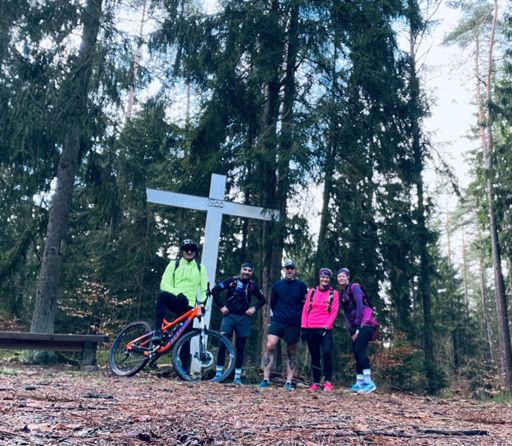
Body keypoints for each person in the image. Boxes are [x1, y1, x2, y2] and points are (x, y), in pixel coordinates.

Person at [152, 239, 208, 373]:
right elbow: (164, 284)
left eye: (192, 250)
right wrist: (178, 293)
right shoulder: (174, 264)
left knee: (185, 338)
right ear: (182, 251)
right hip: (175, 299)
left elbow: (204, 289)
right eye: (186, 249)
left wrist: (202, 304)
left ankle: (184, 371)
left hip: (188, 306)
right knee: (162, 296)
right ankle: (158, 331)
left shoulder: (200, 268)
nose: (189, 252)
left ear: (195, 252)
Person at [212, 262, 266, 384]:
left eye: (249, 271)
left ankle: (237, 377)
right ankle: (218, 374)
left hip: (243, 318)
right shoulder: (231, 281)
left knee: (240, 347)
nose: (246, 272)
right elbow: (215, 291)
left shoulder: (252, 286)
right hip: (229, 316)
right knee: (223, 344)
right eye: (244, 269)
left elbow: (263, 300)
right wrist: (221, 306)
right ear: (241, 270)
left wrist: (254, 308)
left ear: (252, 273)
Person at [259, 259, 307, 391]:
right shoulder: (278, 285)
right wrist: (276, 315)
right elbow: (273, 303)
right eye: (287, 268)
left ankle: (289, 382)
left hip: (294, 322)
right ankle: (265, 379)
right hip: (278, 320)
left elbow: (304, 304)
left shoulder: (301, 286)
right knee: (270, 345)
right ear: (284, 269)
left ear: (295, 270)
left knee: (292, 350)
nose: (289, 270)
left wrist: (301, 320)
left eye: (292, 268)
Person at [337, 267, 378, 394]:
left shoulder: (354, 287)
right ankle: (359, 382)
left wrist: (359, 327)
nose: (341, 278)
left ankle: (369, 382)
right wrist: (351, 329)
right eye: (339, 276)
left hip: (366, 322)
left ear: (348, 277)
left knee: (360, 349)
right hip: (356, 325)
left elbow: (360, 306)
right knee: (356, 351)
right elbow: (346, 314)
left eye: (343, 276)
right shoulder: (342, 294)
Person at [301, 267, 340, 392]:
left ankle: (328, 382)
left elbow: (334, 312)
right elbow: (305, 310)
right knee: (314, 355)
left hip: (325, 328)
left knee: (327, 353)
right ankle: (316, 383)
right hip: (311, 326)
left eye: (327, 277)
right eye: (323, 277)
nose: (324, 279)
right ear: (319, 278)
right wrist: (304, 327)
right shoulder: (312, 292)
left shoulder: (333, 293)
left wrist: (326, 327)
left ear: (329, 279)